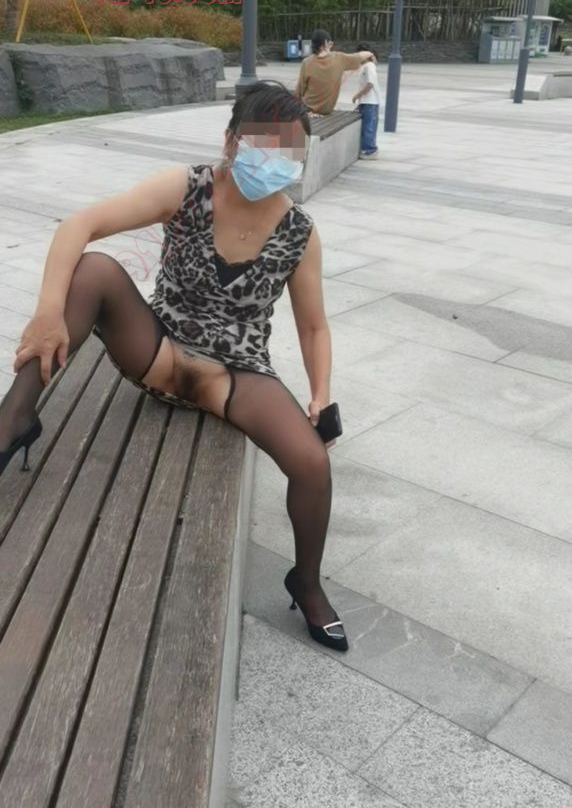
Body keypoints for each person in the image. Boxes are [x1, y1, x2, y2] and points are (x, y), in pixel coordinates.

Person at [0, 82, 349, 653]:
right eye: (261, 145)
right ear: (231, 141)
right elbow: (78, 225)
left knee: (312, 464)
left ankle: (305, 583)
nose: (273, 161)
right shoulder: (188, 188)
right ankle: (14, 419)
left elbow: (314, 327)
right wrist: (46, 313)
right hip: (157, 349)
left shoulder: (299, 234)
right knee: (93, 269)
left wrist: (320, 395)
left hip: (234, 374)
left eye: (288, 150)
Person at [294, 28, 376, 115]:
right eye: (330, 43)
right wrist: (371, 54)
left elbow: (299, 90)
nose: (331, 46)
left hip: (307, 109)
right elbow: (359, 56)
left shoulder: (306, 62)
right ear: (325, 43)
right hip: (325, 111)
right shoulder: (338, 58)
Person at [352, 42, 381, 160]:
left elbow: (370, 84)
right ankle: (367, 150)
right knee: (366, 127)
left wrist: (357, 95)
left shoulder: (369, 66)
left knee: (369, 127)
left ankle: (370, 151)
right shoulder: (366, 66)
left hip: (370, 102)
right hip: (366, 101)